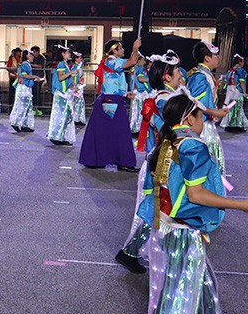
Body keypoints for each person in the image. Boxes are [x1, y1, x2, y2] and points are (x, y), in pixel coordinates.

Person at [129, 95, 248, 314]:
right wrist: (242, 205)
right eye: (201, 115)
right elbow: (196, 194)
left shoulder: (168, 143)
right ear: (189, 118)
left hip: (166, 228)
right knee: (174, 298)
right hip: (182, 232)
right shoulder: (192, 145)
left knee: (201, 288)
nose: (204, 121)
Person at [116, 56, 185, 274]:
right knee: (157, 207)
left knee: (160, 207)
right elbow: (178, 130)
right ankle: (135, 252)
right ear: (167, 76)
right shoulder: (165, 101)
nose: (181, 74)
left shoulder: (166, 97)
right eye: (177, 71)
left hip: (164, 158)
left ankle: (134, 251)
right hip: (163, 161)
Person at [79, 38, 142, 172]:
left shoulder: (110, 62)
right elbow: (133, 61)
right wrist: (135, 47)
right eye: (121, 48)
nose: (123, 50)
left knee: (104, 133)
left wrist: (125, 94)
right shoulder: (113, 61)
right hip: (113, 104)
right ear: (114, 50)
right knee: (121, 134)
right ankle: (124, 161)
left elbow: (113, 84)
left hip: (110, 101)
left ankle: (99, 159)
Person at [185, 41, 229, 172]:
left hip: (205, 124)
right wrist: (215, 112)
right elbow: (196, 103)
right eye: (216, 55)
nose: (219, 58)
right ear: (207, 58)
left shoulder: (203, 74)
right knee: (207, 165)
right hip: (202, 127)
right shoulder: (200, 76)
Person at [47, 46, 76, 146]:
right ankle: (57, 136)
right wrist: (71, 72)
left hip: (64, 93)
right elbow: (60, 78)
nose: (69, 54)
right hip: (61, 93)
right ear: (63, 54)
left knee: (65, 115)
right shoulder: (61, 64)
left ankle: (60, 136)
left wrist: (72, 87)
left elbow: (65, 80)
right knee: (62, 115)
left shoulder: (64, 64)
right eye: (67, 52)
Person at [9, 49, 42, 133]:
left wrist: (34, 78)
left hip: (25, 87)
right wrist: (34, 77)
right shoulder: (25, 64)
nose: (33, 56)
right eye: (31, 55)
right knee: (22, 106)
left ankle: (25, 124)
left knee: (26, 106)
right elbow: (24, 75)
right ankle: (16, 123)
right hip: (24, 88)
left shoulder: (26, 64)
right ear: (27, 56)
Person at [220, 54, 248, 133]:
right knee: (237, 107)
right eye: (242, 62)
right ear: (240, 62)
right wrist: (244, 92)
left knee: (230, 107)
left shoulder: (230, 71)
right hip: (237, 91)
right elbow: (242, 82)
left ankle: (230, 125)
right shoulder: (240, 71)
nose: (243, 63)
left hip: (230, 90)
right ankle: (236, 125)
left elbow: (226, 81)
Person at [129, 54, 151, 134]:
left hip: (136, 92)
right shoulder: (140, 68)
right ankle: (139, 129)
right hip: (140, 93)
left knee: (135, 111)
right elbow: (140, 79)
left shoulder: (134, 68)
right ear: (138, 61)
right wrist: (150, 80)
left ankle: (134, 128)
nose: (144, 62)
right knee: (140, 111)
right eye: (143, 60)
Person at [69, 51, 87, 125]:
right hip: (77, 86)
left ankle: (78, 118)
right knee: (77, 102)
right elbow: (73, 78)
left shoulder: (78, 67)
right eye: (79, 58)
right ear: (76, 59)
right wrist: (74, 86)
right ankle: (75, 118)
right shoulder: (75, 67)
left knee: (79, 102)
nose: (81, 59)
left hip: (79, 86)